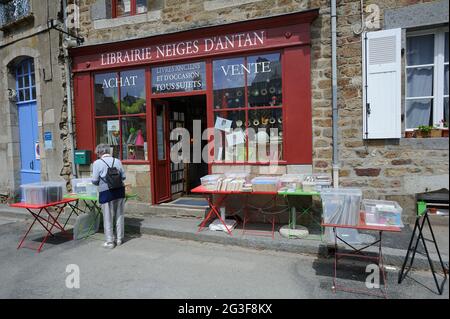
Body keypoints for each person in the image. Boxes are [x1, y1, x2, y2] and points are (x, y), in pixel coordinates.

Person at [92, 143, 126, 249]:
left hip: (106, 192)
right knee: (119, 215)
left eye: (97, 153)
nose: (97, 155)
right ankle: (119, 239)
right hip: (119, 190)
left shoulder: (97, 163)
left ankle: (110, 241)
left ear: (100, 152)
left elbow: (94, 180)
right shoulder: (117, 161)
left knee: (107, 217)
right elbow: (123, 177)